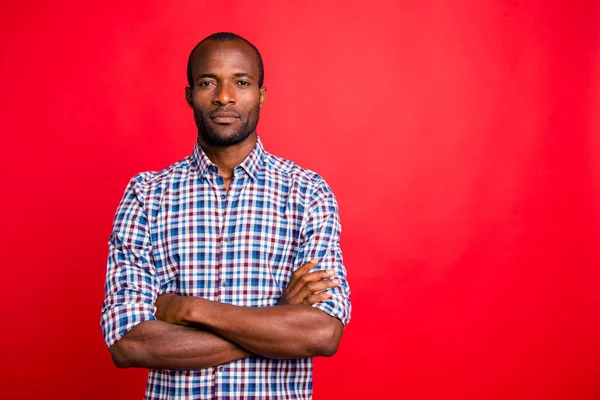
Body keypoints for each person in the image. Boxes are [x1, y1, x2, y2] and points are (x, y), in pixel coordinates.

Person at [100, 32, 351, 400]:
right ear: (189, 95)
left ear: (261, 94)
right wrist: (277, 321)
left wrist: (187, 308)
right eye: (207, 82)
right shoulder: (146, 196)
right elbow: (129, 344)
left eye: (242, 82)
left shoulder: (307, 193)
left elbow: (322, 334)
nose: (224, 96)